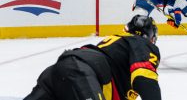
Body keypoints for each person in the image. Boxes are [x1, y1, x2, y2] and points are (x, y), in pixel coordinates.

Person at [24, 15, 161, 100]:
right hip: (82, 74)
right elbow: (144, 79)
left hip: (60, 71)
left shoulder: (117, 45)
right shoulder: (141, 43)